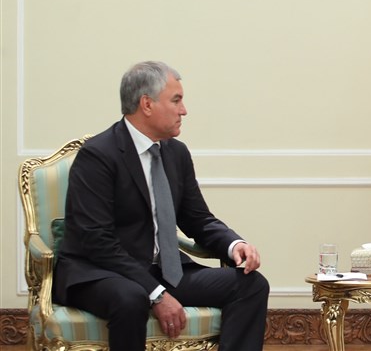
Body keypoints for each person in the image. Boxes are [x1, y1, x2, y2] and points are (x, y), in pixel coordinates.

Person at [53, 61, 269, 351]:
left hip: (164, 270)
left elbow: (198, 218)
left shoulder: (176, 153)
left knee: (251, 285)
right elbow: (96, 240)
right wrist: (156, 293)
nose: (184, 110)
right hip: (99, 272)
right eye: (176, 100)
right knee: (131, 297)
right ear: (147, 104)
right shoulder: (98, 155)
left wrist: (234, 244)